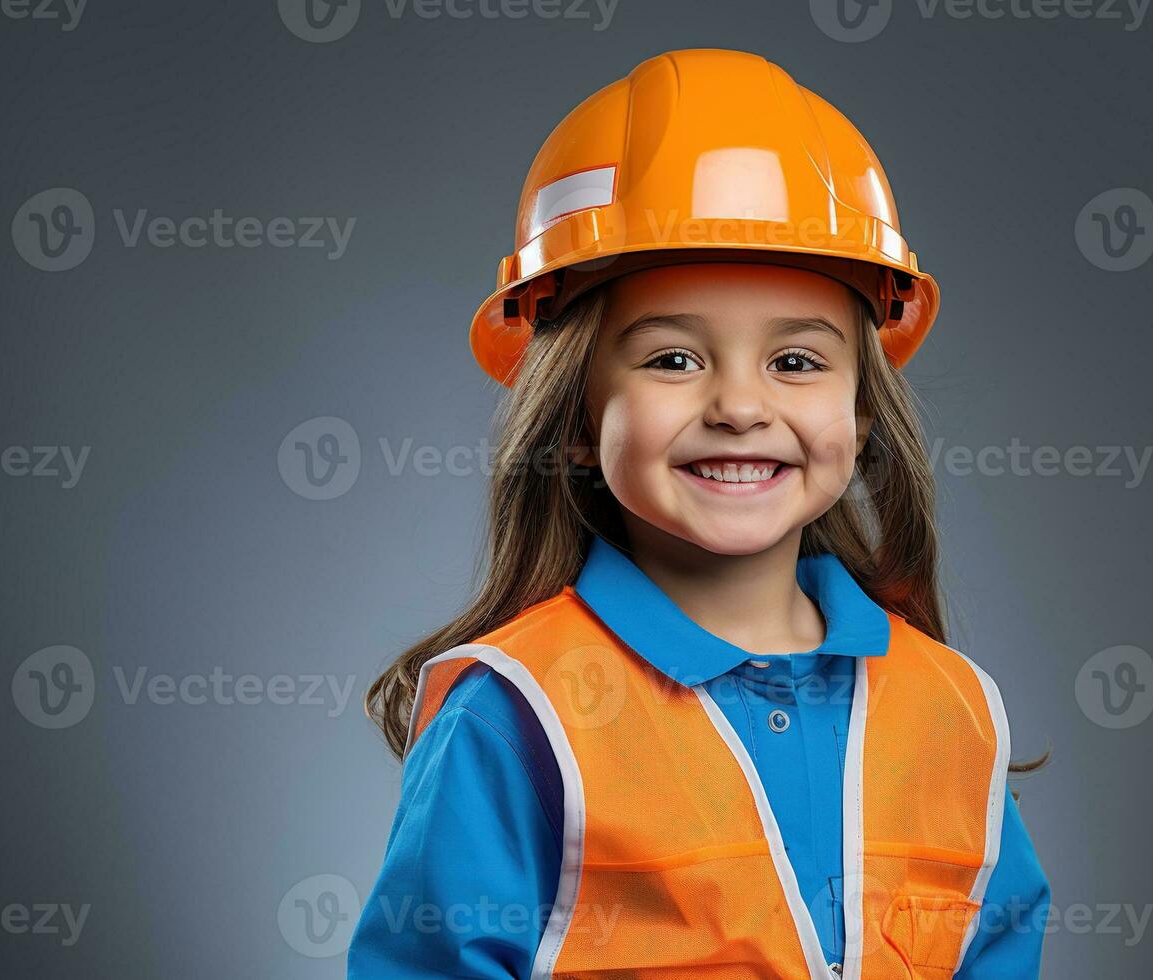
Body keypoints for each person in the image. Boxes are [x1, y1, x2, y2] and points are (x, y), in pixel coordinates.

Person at [349, 48, 1051, 979]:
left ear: (861, 412)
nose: (739, 406)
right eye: (673, 360)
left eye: (796, 362)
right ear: (573, 413)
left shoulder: (951, 710)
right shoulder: (517, 716)